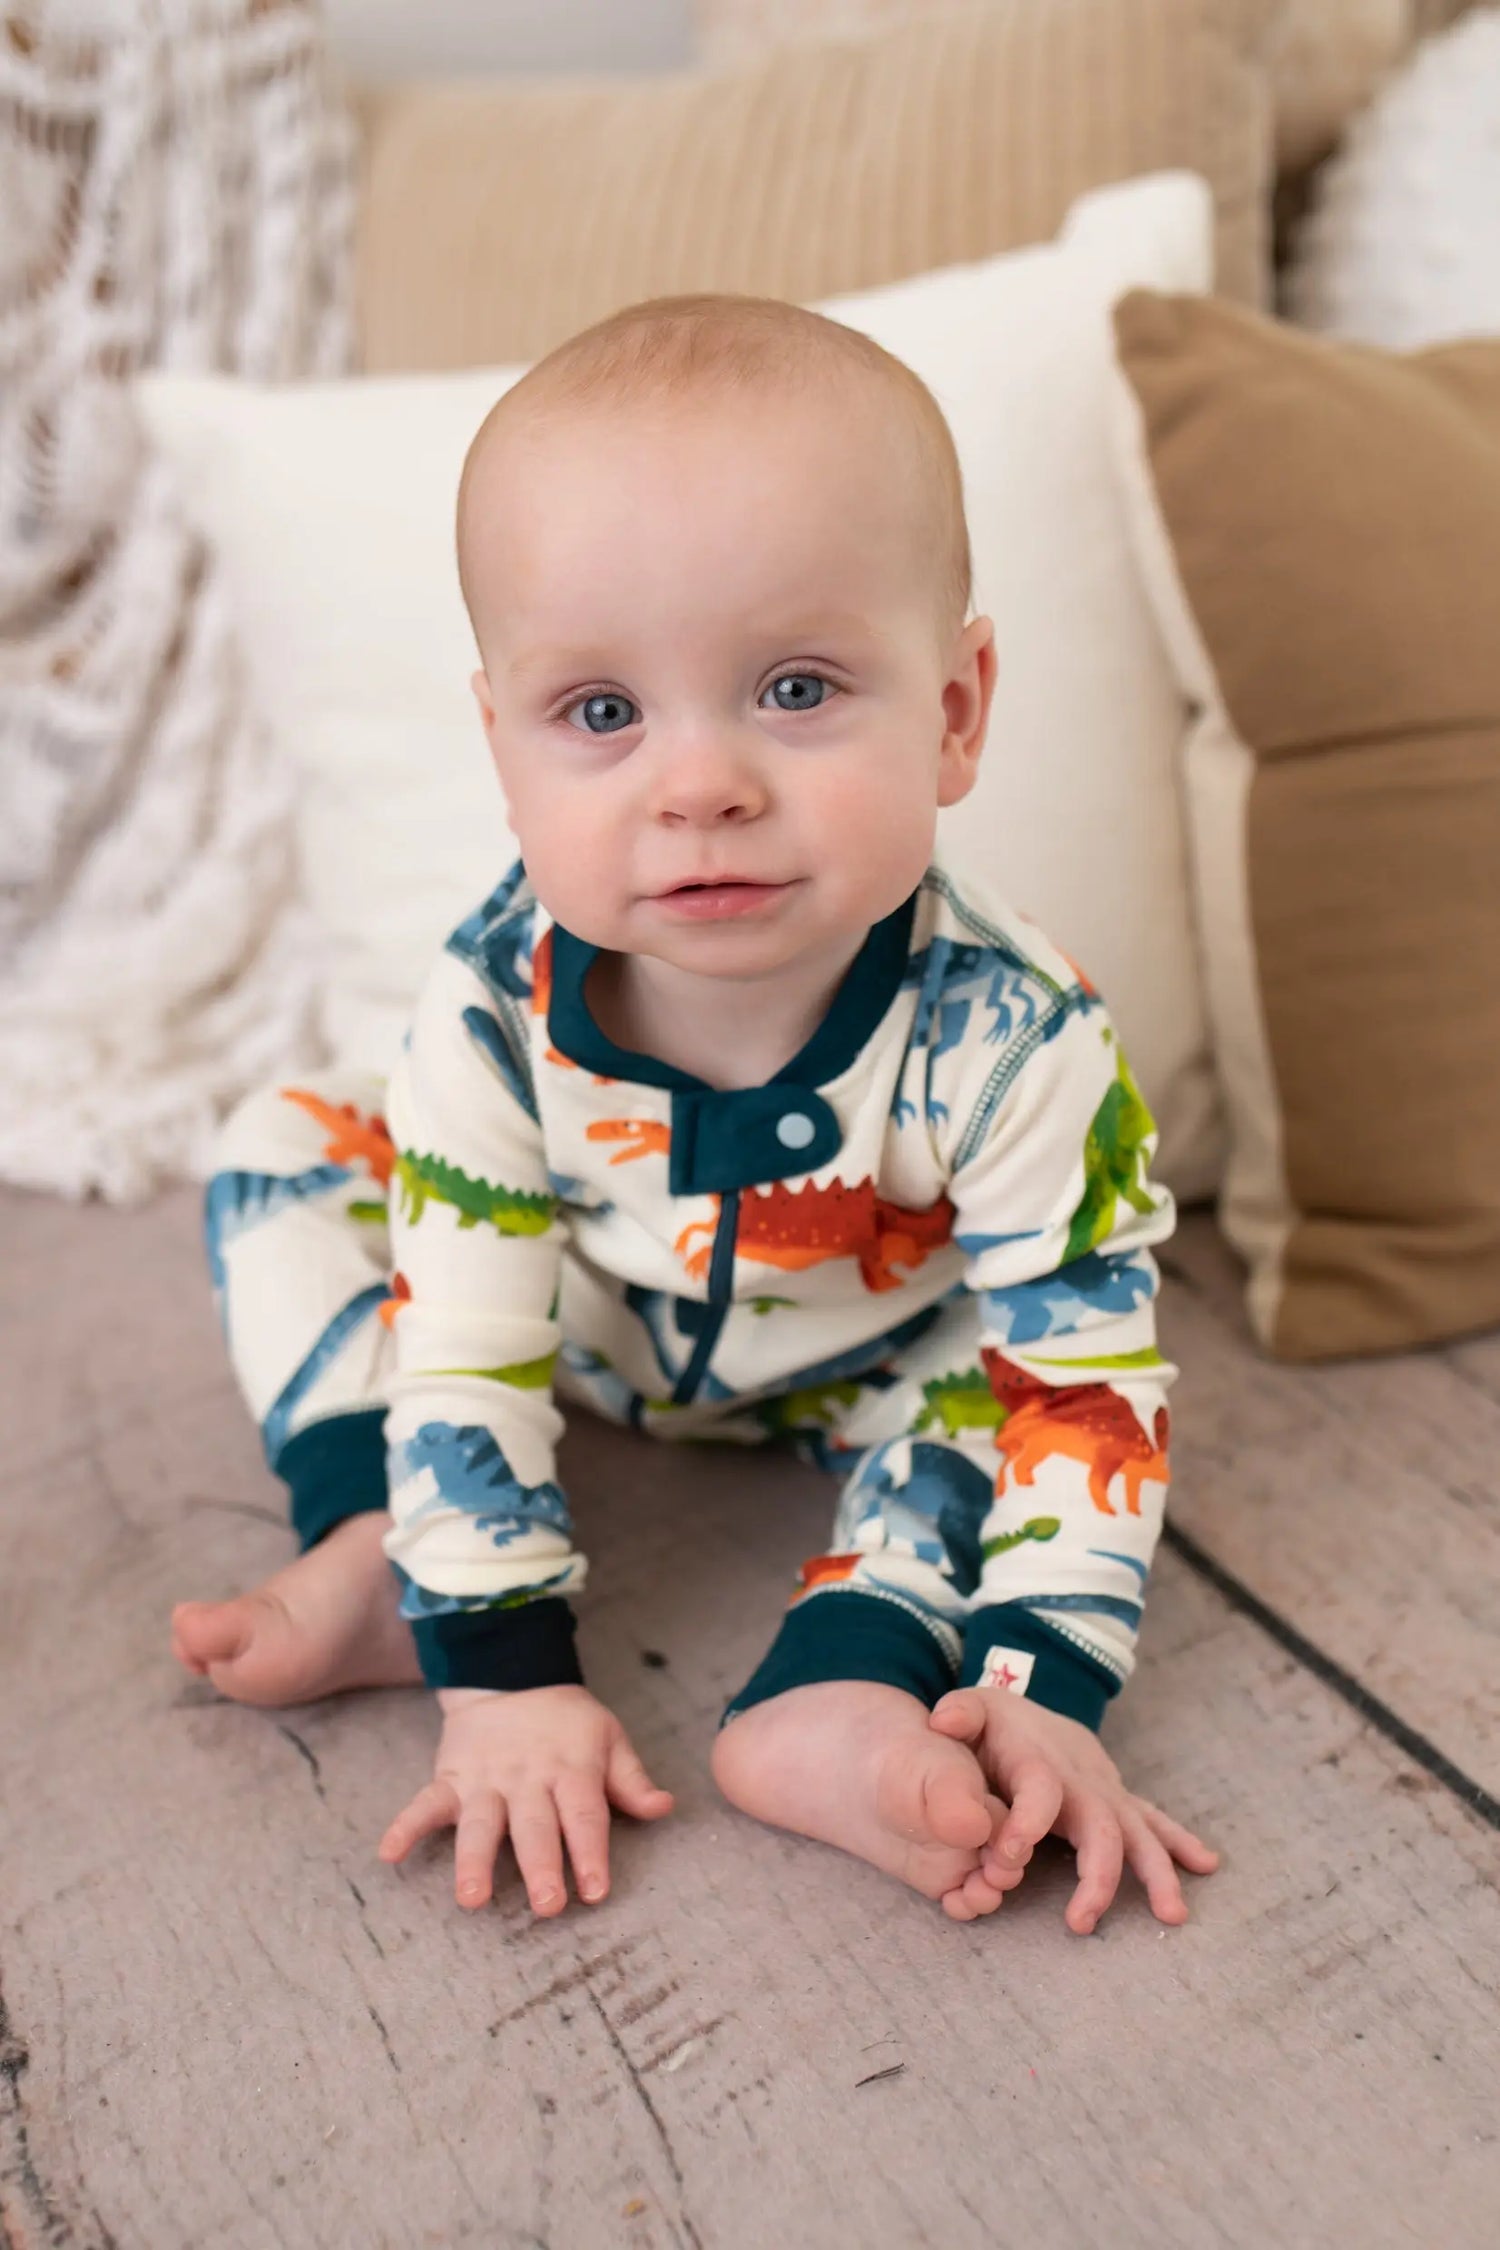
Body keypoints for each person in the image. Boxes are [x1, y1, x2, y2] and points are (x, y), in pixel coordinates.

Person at [173, 292, 1219, 1932]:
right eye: (602, 713)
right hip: (579, 1325)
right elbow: (469, 1341)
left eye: (796, 687)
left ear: (954, 710)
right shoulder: (490, 1015)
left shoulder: (1018, 1040)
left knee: (994, 1409)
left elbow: (1083, 1383)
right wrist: (503, 1672)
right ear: (503, 749)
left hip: (885, 1353)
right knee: (283, 1145)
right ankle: (380, 1532)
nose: (701, 784)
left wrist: (1046, 1680)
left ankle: (847, 1679)